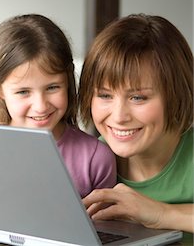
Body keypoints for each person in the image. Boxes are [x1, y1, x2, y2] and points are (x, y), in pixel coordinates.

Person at [0, 14, 116, 197]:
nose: (40, 106)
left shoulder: (96, 159)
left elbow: (101, 224)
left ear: (68, 79)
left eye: (52, 87)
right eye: (23, 92)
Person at [78, 14, 193, 236]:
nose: (119, 116)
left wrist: (161, 214)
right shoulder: (88, 162)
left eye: (138, 97)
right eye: (104, 95)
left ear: (176, 94)